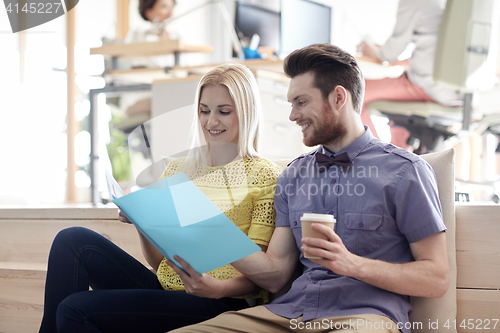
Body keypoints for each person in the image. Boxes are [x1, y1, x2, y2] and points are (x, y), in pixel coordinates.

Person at [169, 44, 450, 333]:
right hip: (289, 314)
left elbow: (436, 278)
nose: (292, 115)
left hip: (364, 319)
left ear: (339, 97)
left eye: (301, 102)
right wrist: (208, 225)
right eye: (291, 103)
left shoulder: (405, 171)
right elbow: (276, 275)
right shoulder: (294, 175)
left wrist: (351, 264)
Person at [38, 63, 282, 333]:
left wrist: (217, 289)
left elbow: (258, 272)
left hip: (220, 299)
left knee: (74, 309)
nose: (211, 122)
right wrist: (143, 222)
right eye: (204, 111)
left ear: (246, 113)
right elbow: (159, 263)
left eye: (224, 111)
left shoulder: (264, 176)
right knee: (72, 240)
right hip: (167, 286)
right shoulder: (179, 169)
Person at [358, 0, 462, 151]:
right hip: (454, 93)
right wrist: (401, 61)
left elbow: (390, 52)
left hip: (426, 87)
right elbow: (436, 50)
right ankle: (398, 165)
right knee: (398, 117)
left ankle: (378, 157)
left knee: (353, 94)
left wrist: (377, 52)